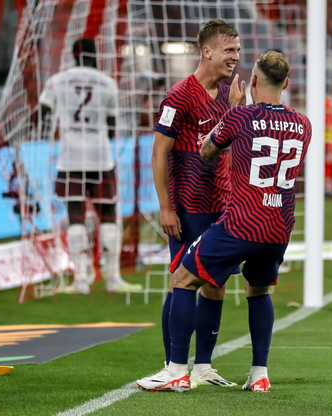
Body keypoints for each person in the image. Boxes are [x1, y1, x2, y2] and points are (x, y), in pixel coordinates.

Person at [137, 50, 310, 393]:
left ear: (254, 80)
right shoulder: (303, 124)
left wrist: (232, 111)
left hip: (242, 222)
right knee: (258, 290)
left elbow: (206, 151)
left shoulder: (240, 115)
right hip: (280, 226)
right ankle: (259, 374)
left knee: (183, 278)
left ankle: (176, 370)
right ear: (287, 84)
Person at [137, 20, 245, 390]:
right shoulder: (179, 95)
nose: (236, 56)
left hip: (224, 206)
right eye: (229, 50)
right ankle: (173, 367)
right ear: (207, 51)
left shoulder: (230, 95)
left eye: (237, 50)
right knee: (181, 281)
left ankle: (203, 367)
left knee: (216, 285)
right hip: (189, 207)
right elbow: (159, 152)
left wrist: (237, 111)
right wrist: (166, 207)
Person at [39, 38, 140, 295]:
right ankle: (113, 278)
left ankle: (80, 280)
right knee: (108, 213)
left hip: (70, 157)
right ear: (95, 55)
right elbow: (111, 127)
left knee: (75, 215)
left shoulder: (57, 80)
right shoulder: (107, 83)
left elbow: (42, 113)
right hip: (100, 157)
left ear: (73, 55)